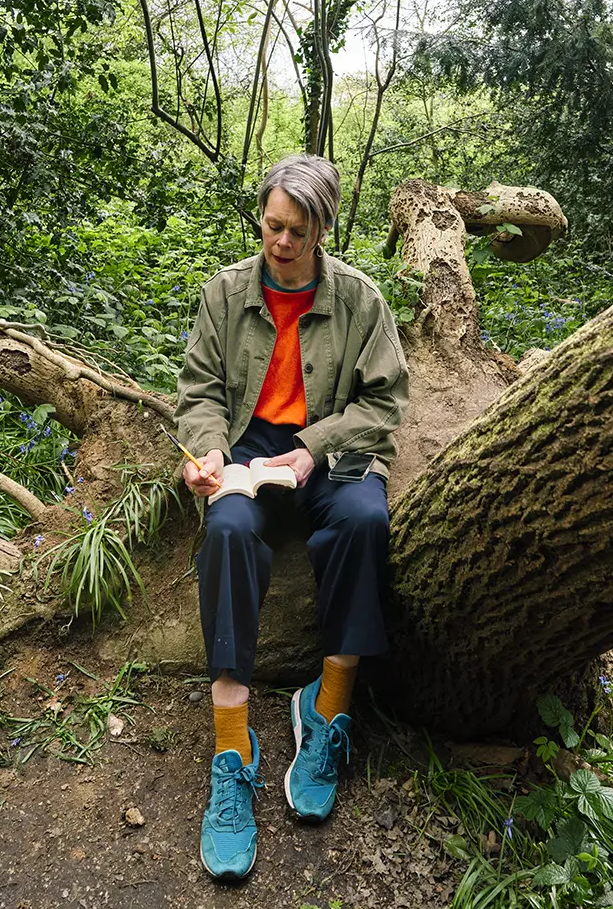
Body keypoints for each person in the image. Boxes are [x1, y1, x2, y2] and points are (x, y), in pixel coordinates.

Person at [175, 153, 409, 880]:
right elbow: (201, 392)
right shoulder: (224, 294)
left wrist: (313, 448)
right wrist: (212, 455)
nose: (279, 243)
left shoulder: (360, 300)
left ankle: (327, 704)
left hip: (329, 448)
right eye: (272, 226)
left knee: (365, 522)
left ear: (323, 230)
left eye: (297, 232)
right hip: (250, 449)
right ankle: (232, 749)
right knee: (230, 532)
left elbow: (384, 404)